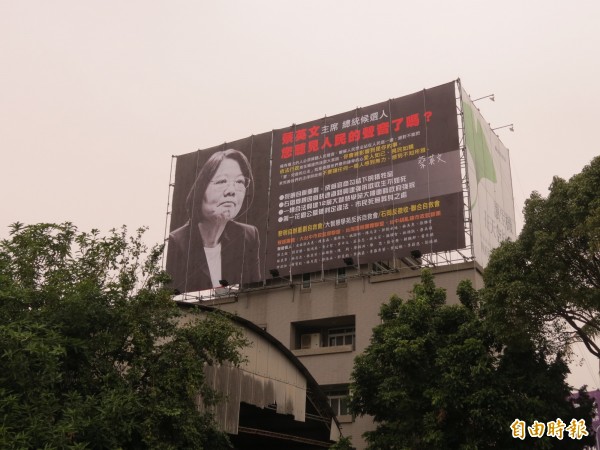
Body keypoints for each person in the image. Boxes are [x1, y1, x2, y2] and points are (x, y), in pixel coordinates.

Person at [167, 149, 260, 293]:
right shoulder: (178, 242)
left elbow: (255, 293)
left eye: (240, 181)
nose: (231, 191)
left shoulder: (248, 236)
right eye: (222, 181)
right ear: (200, 189)